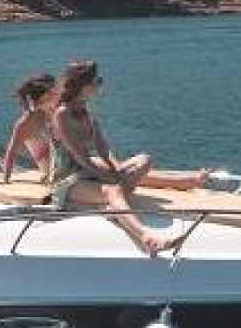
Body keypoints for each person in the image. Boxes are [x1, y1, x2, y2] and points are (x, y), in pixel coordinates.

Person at [48, 60, 175, 257]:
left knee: (144, 160)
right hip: (67, 179)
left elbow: (103, 148)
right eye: (97, 81)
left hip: (88, 172)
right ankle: (146, 238)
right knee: (113, 190)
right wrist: (110, 178)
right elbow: (78, 156)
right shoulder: (62, 114)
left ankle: (110, 207)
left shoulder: (85, 111)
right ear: (82, 84)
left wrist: (116, 169)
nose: (100, 85)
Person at [1, 73, 57, 183]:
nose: (57, 94)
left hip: (63, 163)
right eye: (53, 91)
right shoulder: (26, 122)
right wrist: (5, 180)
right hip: (53, 170)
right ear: (45, 95)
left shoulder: (51, 112)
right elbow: (11, 153)